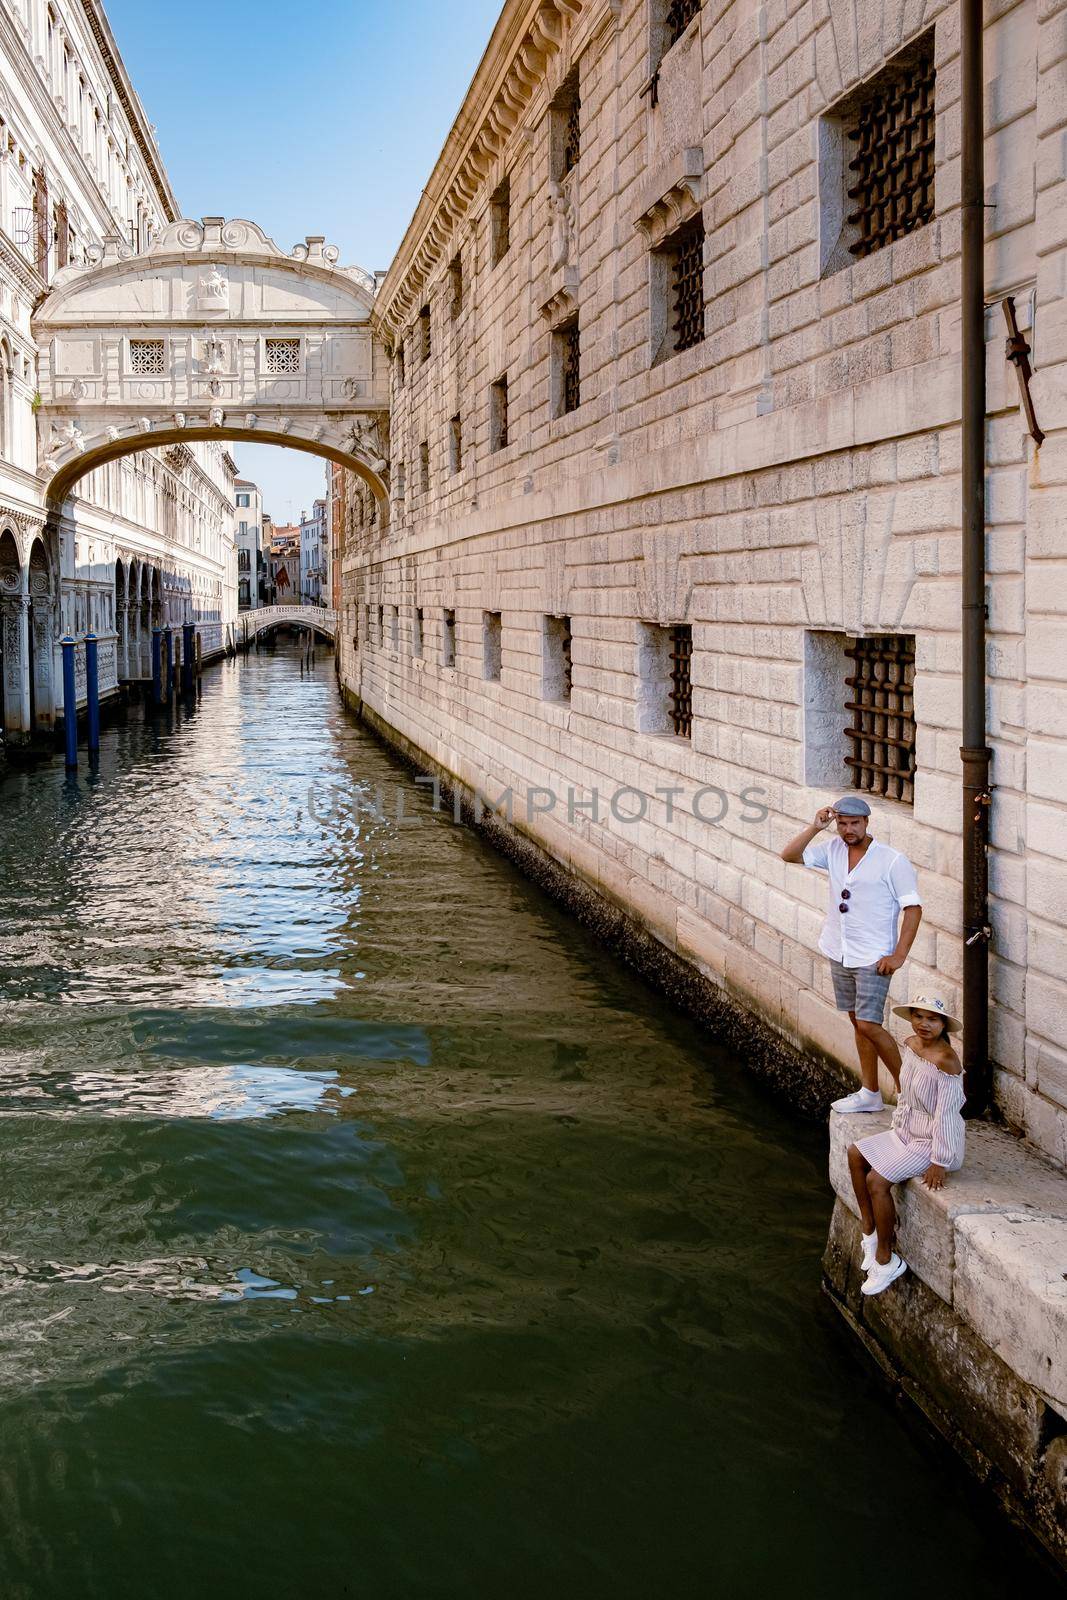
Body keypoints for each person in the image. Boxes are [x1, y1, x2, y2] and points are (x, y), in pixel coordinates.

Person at [780, 796, 923, 1113]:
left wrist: (898, 956)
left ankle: (910, 1097)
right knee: (858, 1022)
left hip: (874, 956)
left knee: (871, 1024)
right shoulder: (832, 850)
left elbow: (913, 909)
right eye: (842, 823)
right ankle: (870, 1092)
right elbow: (789, 855)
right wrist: (816, 827)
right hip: (839, 949)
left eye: (854, 823)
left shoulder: (891, 860)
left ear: (867, 823)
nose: (847, 829)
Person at [846, 994, 965, 1295]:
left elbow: (948, 1114)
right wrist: (897, 1126)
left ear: (943, 1025)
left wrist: (940, 1160)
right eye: (919, 1017)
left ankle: (886, 1260)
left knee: (877, 1181)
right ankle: (869, 1231)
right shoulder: (910, 1044)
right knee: (855, 1153)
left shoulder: (947, 1061)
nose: (924, 1024)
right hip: (906, 1131)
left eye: (933, 1019)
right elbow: (906, 1092)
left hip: (930, 1142)